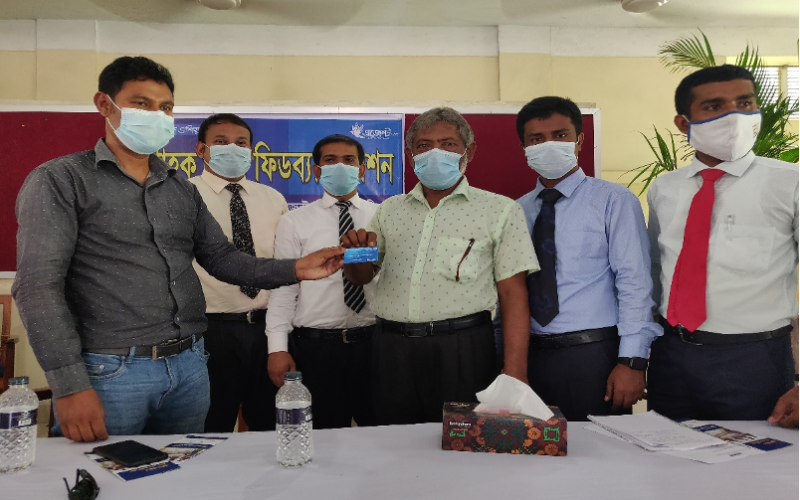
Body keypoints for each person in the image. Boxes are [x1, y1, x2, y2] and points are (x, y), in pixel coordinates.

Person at [11, 56, 344, 443]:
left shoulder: (179, 187)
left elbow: (222, 258)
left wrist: (296, 268)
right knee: (103, 480)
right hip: (110, 371)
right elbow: (38, 287)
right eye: (141, 104)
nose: (156, 115)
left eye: (165, 107)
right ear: (105, 105)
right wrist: (68, 384)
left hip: (189, 366)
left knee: (182, 479)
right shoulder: (61, 180)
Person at [341, 107, 539, 425]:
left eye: (447, 144)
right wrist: (354, 255)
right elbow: (363, 276)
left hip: (464, 350)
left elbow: (513, 294)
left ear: (468, 151)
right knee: (394, 448)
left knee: (462, 451)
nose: (435, 152)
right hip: (392, 351)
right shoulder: (390, 210)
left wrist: (515, 372)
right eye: (423, 145)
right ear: (410, 154)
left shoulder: (500, 210)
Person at [648, 64, 799, 422]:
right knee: (666, 464)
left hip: (754, 358)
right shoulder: (665, 188)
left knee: (754, 470)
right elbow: (657, 266)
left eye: (745, 103)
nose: (734, 116)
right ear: (684, 124)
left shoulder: (790, 183)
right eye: (714, 106)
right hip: (673, 355)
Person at [498, 96, 662, 421]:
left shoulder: (614, 201)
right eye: (536, 139)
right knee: (529, 458)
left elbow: (636, 283)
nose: (548, 145)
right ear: (524, 147)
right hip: (527, 357)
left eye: (560, 135)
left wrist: (632, 361)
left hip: (593, 356)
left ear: (579, 139)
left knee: (599, 460)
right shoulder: (514, 211)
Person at [266, 134, 379, 429]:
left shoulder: (381, 216)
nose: (340, 166)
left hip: (374, 346)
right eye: (330, 160)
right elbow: (283, 290)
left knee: (382, 435)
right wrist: (277, 348)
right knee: (324, 440)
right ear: (316, 170)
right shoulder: (295, 221)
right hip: (317, 351)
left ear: (362, 169)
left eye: (349, 160)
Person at [189, 113, 287, 433]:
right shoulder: (183, 196)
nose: (233, 148)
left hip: (265, 331)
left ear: (252, 150)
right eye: (221, 142)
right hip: (208, 334)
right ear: (201, 150)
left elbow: (282, 266)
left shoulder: (272, 199)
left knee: (268, 428)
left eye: (241, 143)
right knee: (210, 428)